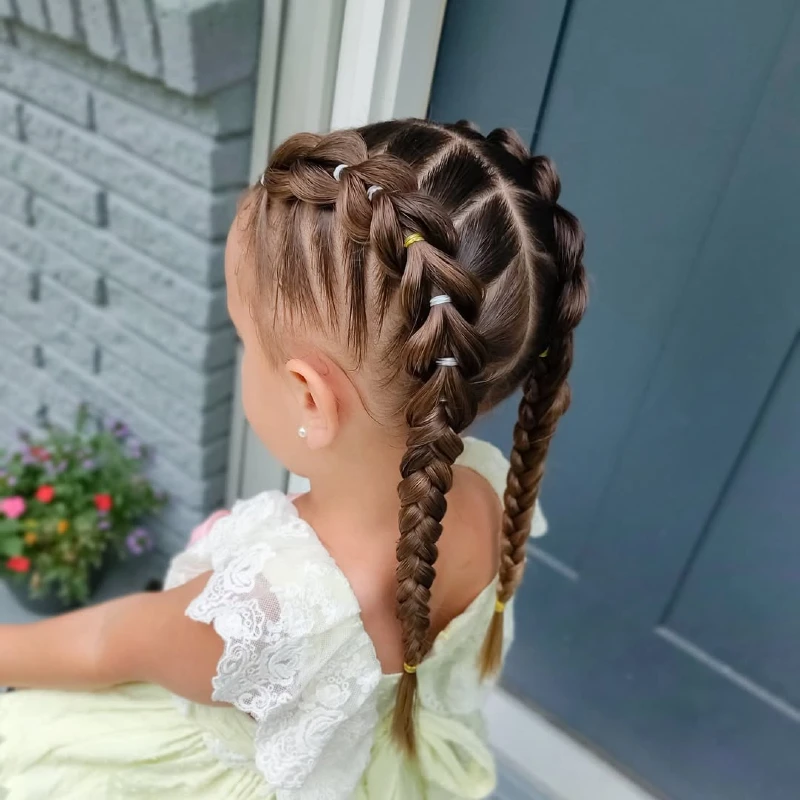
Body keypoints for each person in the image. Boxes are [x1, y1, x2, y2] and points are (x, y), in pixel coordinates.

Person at [0, 119, 587, 799]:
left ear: (310, 396)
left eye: (245, 337)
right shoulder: (486, 488)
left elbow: (105, 645)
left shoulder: (265, 609)